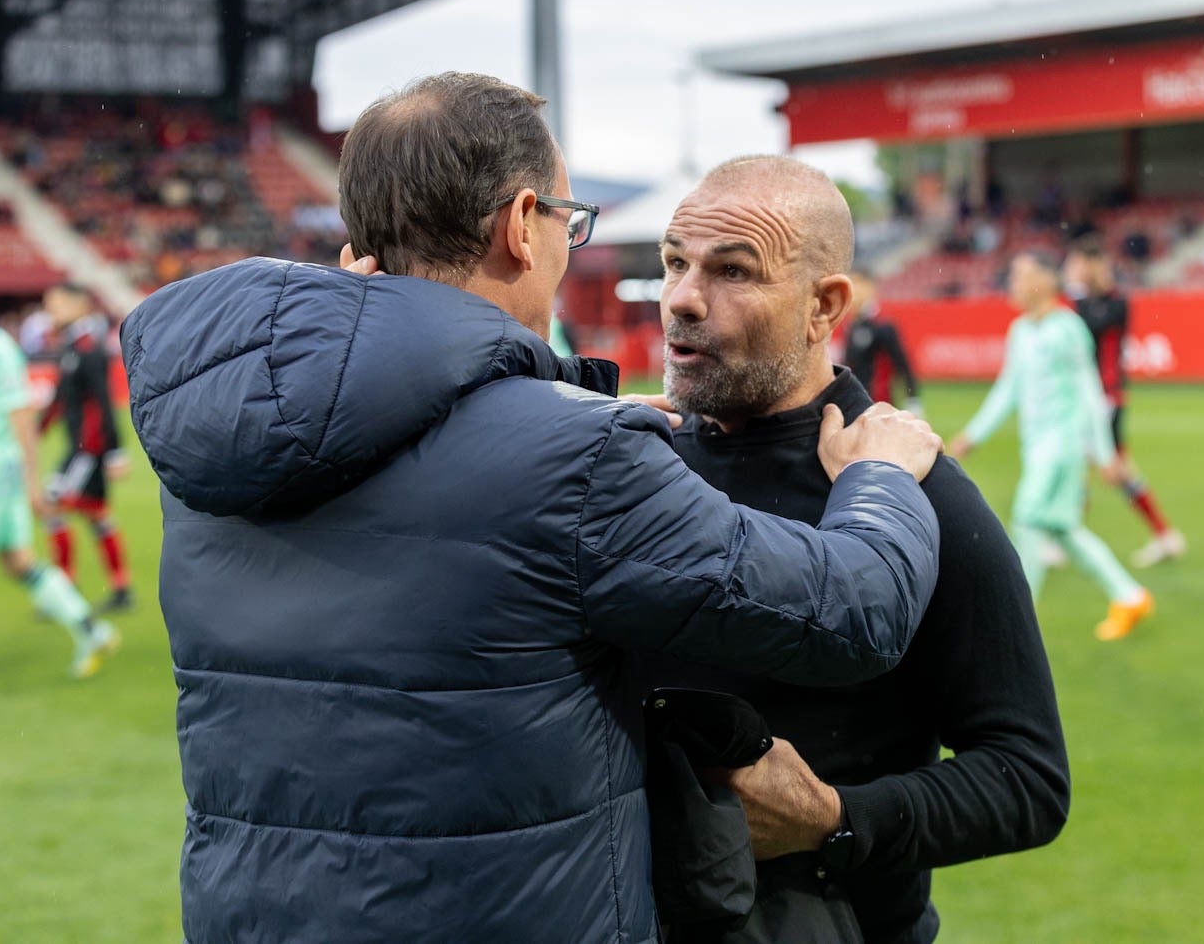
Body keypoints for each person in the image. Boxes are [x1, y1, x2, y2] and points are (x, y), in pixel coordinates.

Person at [119, 72, 944, 944]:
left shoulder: (217, 436)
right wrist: (880, 474)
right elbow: (852, 610)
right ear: (520, 223)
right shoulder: (578, 458)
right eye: (566, 219)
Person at [644, 157, 1069, 943]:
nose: (682, 298)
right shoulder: (637, 464)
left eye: (734, 270)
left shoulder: (924, 495)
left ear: (824, 305)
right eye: (674, 261)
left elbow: (1028, 779)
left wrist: (835, 819)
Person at [948, 253, 1156, 641]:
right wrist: (971, 435)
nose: (1011, 282)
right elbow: (1007, 389)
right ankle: (1129, 596)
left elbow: (1090, 392)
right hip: (1036, 446)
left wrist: (1105, 452)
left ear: (1044, 281)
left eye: (1020, 275)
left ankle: (1014, 620)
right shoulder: (1021, 331)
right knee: (1062, 528)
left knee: (1027, 517)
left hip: (1062, 445)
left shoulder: (1068, 329)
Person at [0, 290, 119, 678]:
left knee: (78, 524)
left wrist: (30, 479)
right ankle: (91, 628)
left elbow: (20, 415)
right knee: (16, 560)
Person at [1063, 242, 1186, 568]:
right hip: (1096, 398)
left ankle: (1163, 534)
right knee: (1099, 467)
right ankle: (1162, 534)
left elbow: (1090, 330)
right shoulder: (1088, 304)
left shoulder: (1114, 303)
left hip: (1107, 398)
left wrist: (1076, 293)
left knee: (1107, 468)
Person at [38, 282, 134, 612]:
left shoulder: (89, 348)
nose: (49, 310)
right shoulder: (71, 346)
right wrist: (36, 430)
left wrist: (114, 451)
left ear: (78, 305)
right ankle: (121, 589)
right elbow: (60, 398)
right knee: (97, 516)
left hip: (87, 450)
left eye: (55, 303)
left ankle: (65, 589)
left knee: (51, 506)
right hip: (81, 448)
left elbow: (104, 402)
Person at [843, 270, 921, 412]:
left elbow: (903, 365)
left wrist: (912, 399)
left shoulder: (884, 325)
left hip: (879, 407)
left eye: (857, 284)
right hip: (854, 405)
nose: (853, 291)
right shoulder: (851, 325)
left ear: (870, 288)